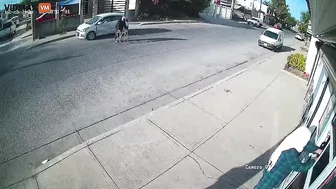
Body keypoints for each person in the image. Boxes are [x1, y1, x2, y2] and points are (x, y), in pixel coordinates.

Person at [254, 126, 323, 189]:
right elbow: (301, 168)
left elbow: (304, 145)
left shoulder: (290, 143)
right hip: (270, 183)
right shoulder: (290, 153)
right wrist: (314, 160)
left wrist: (317, 150)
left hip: (269, 176)